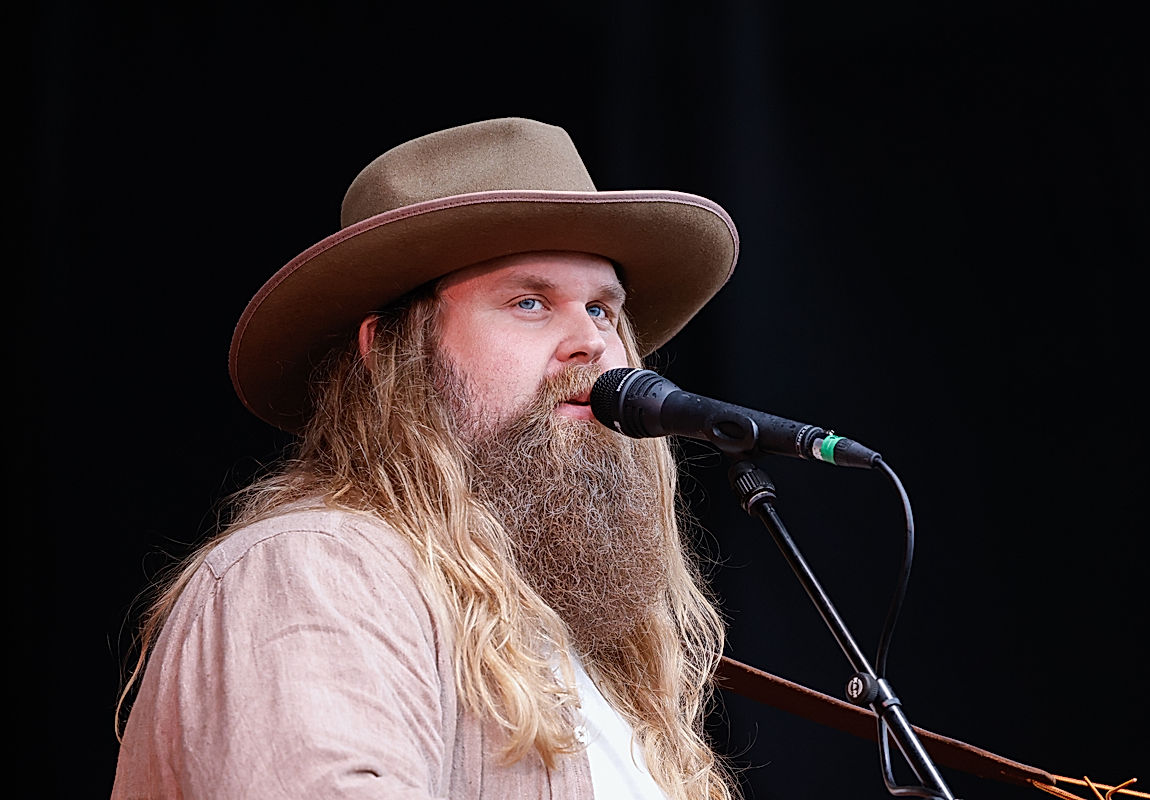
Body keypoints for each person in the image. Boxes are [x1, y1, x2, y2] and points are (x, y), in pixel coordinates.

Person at [111, 117, 742, 800]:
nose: (588, 342)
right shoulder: (317, 568)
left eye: (601, 309)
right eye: (529, 302)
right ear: (393, 354)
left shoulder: (597, 655)